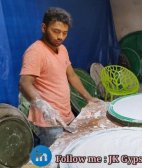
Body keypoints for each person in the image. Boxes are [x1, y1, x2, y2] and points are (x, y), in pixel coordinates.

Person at [19, 7, 100, 147]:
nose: (60, 37)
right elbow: (25, 83)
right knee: (55, 155)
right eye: (56, 31)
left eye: (64, 33)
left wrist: (89, 98)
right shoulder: (36, 52)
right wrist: (43, 106)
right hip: (49, 120)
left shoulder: (62, 49)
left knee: (70, 149)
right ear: (44, 28)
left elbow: (72, 76)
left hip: (66, 113)